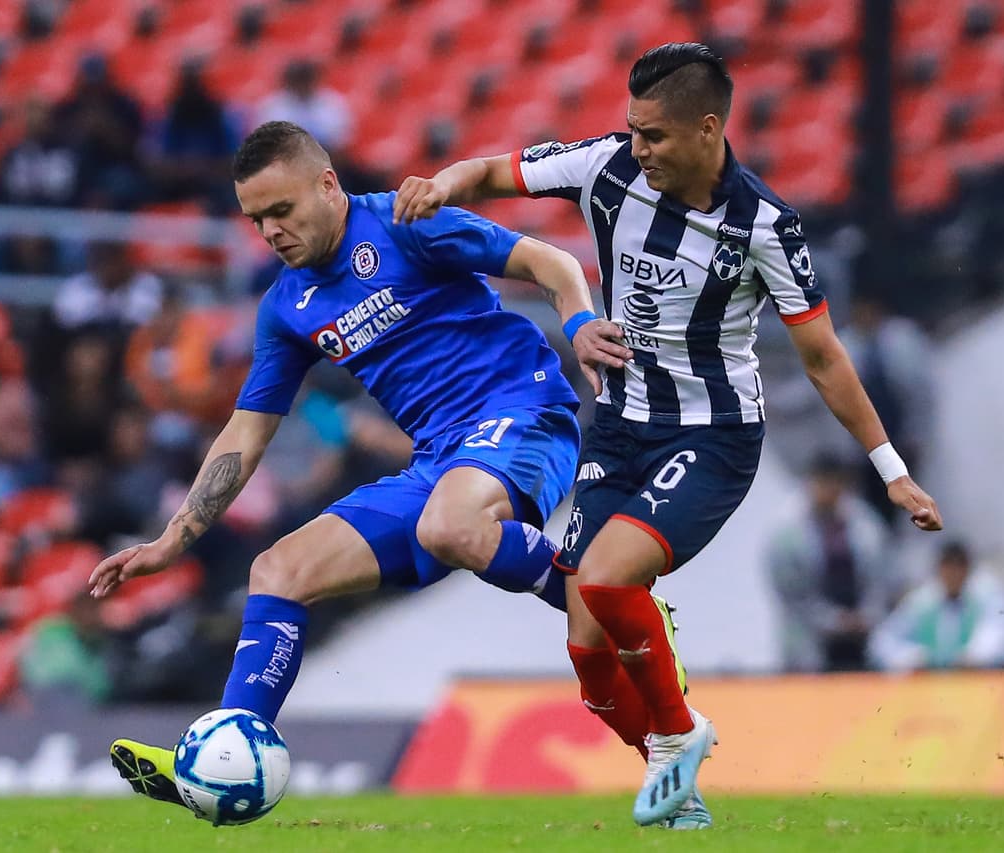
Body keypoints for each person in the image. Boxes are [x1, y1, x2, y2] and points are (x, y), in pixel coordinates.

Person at [394, 42, 944, 827]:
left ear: (707, 129)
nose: (637, 147)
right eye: (632, 129)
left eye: (652, 134)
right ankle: (681, 795)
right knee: (589, 659)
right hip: (620, 429)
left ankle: (681, 735)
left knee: (613, 580)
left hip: (713, 435)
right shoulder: (607, 168)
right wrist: (442, 181)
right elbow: (491, 172)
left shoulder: (765, 226)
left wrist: (889, 468)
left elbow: (823, 357)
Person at [88, 120, 633, 816]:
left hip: (524, 415)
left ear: (327, 185)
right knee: (276, 571)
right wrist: (173, 538)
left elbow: (549, 261)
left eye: (281, 211)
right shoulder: (287, 306)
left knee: (450, 523)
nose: (271, 232)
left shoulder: (407, 223)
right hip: (439, 461)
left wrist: (582, 322)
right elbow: (245, 432)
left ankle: (611, 603)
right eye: (256, 221)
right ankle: (225, 756)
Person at [765, 453, 893, 673]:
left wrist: (867, 615)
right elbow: (792, 596)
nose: (829, 491)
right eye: (823, 483)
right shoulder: (787, 534)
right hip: (808, 641)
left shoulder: (865, 526)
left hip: (863, 636)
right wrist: (834, 621)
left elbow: (883, 576)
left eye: (835, 483)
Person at [869, 541, 1004, 672]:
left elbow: (998, 635)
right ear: (939, 568)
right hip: (927, 689)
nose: (954, 573)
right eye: (948, 566)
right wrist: (911, 657)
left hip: (976, 685)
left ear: (969, 568)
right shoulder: (921, 602)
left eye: (959, 566)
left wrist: (976, 656)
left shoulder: (986, 597)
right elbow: (882, 641)